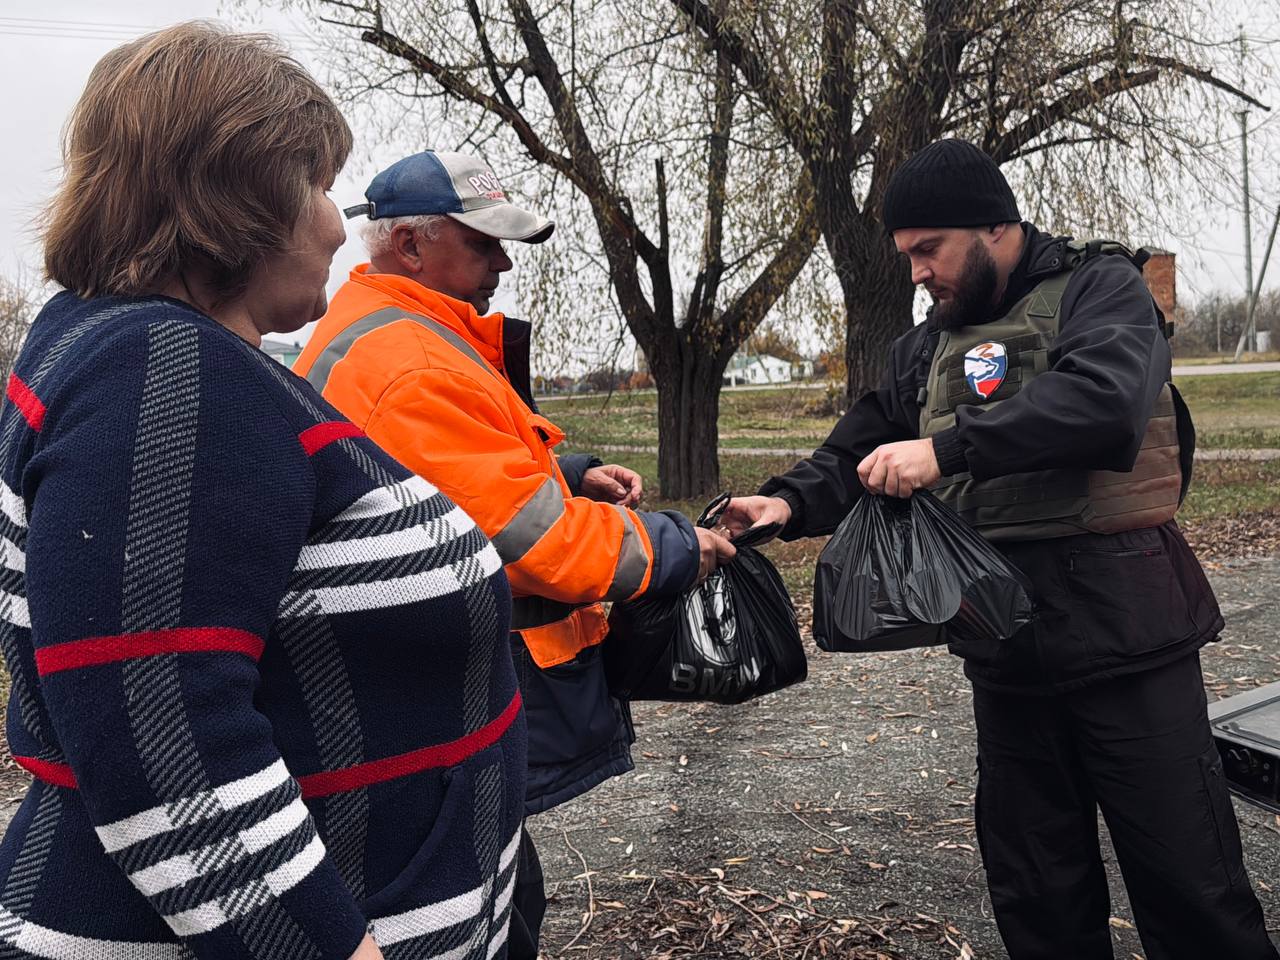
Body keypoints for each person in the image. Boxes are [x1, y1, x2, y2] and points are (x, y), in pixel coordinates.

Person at [0, 24, 525, 960]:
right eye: (320, 185)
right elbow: (161, 735)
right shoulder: (160, 372)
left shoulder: (145, 355)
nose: (336, 225)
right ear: (240, 195)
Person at [724, 139, 1279, 960]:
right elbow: (863, 442)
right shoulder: (929, 344)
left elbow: (1104, 403)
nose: (918, 272)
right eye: (907, 256)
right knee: (1038, 899)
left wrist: (947, 449)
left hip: (1129, 645)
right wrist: (787, 501)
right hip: (1007, 652)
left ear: (994, 226)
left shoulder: (1101, 289)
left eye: (929, 249)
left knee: (1192, 895)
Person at [293, 149, 735, 957]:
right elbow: (534, 540)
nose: (502, 263)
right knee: (491, 912)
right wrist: (676, 546)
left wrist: (566, 472)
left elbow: (446, 478)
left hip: (405, 688)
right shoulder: (412, 363)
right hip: (434, 699)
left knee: (507, 889)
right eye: (483, 242)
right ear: (410, 245)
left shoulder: (393, 332)